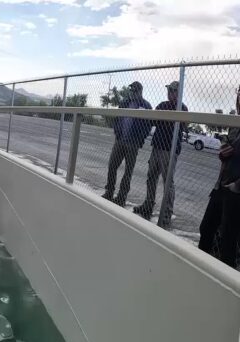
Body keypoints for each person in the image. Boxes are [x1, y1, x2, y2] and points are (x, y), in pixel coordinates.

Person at [133, 81, 188, 227]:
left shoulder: (182, 108)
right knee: (151, 177)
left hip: (169, 149)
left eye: (173, 90)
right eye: (169, 90)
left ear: (178, 92)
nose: (170, 92)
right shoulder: (163, 105)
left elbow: (179, 124)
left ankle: (166, 214)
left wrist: (162, 120)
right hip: (157, 146)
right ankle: (148, 204)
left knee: (168, 182)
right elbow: (153, 119)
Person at [198, 87, 240, 268]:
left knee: (228, 240)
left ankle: (227, 282)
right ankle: (199, 269)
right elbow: (226, 153)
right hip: (222, 185)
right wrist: (223, 153)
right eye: (239, 95)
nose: (239, 100)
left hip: (236, 190)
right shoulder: (234, 123)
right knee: (206, 228)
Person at [103, 81, 153, 206]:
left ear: (140, 92)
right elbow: (117, 118)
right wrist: (117, 131)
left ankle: (121, 197)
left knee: (128, 171)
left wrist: (139, 139)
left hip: (133, 143)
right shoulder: (125, 102)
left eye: (135, 91)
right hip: (120, 140)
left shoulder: (146, 106)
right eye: (131, 91)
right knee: (112, 165)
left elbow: (148, 126)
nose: (132, 93)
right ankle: (109, 191)